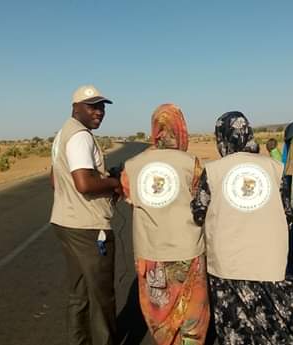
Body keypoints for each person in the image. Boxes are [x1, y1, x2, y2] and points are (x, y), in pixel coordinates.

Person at [191, 111, 293, 345]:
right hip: (268, 260)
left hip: (228, 264)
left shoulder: (214, 170)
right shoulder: (274, 168)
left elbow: (199, 213)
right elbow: (288, 212)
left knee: (234, 328)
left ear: (221, 137)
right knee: (268, 325)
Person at [120, 104, 210, 345]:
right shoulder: (192, 164)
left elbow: (130, 199)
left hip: (150, 255)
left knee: (160, 317)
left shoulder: (131, 167)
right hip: (188, 254)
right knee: (192, 321)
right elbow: (203, 205)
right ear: (180, 129)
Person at [50, 84, 121, 345]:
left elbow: (55, 180)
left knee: (79, 293)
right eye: (92, 106)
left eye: (102, 106)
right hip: (89, 228)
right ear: (75, 108)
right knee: (101, 297)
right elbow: (84, 184)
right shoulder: (80, 136)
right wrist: (114, 183)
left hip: (64, 222)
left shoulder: (62, 135)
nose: (99, 112)